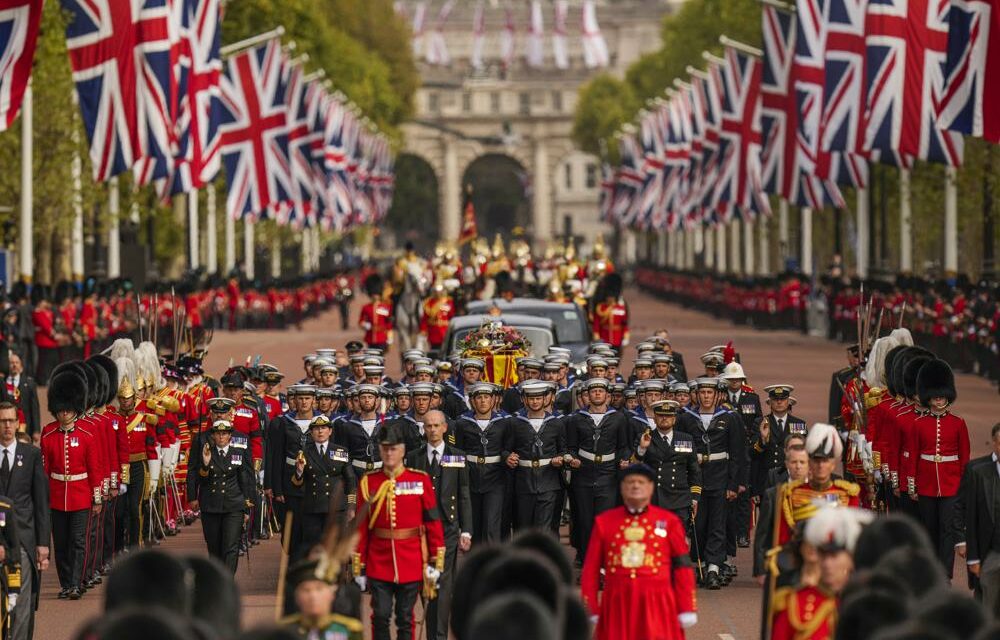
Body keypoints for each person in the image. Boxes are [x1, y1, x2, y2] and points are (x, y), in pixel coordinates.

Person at [580, 463, 697, 640]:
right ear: (621, 488)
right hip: (617, 604)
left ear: (651, 488)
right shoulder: (604, 522)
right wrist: (590, 606)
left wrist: (687, 606)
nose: (635, 486)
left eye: (641, 482)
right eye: (630, 482)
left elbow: (683, 567)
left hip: (657, 603)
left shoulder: (669, 521)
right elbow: (591, 569)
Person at [353, 422, 445, 640]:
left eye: (393, 448)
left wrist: (435, 562)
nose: (388, 453)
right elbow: (362, 527)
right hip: (378, 561)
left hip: (411, 560)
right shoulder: (369, 482)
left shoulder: (419, 480)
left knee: (406, 617)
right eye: (384, 448)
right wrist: (360, 566)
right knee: (381, 615)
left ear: (402, 450)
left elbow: (433, 523)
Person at [404, 410, 472, 640]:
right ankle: (433, 631)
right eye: (428, 426)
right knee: (427, 580)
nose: (432, 430)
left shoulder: (457, 456)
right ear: (424, 429)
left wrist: (467, 530)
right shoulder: (414, 457)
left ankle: (439, 636)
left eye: (436, 425)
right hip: (420, 529)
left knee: (442, 582)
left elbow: (464, 495)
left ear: (445, 428)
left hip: (448, 529)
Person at [675, 377, 747, 589]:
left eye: (710, 393)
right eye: (703, 393)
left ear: (717, 395)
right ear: (697, 395)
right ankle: (701, 565)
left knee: (718, 523)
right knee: (698, 523)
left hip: (720, 476)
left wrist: (734, 484)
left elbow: (737, 453)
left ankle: (714, 568)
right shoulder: (686, 417)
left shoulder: (730, 418)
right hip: (696, 477)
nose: (706, 397)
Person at [40, 368, 103, 600]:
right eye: (60, 408)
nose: (63, 413)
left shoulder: (87, 434)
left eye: (67, 408)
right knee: (62, 545)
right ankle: (66, 583)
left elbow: (94, 469)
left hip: (80, 495)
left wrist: (97, 497)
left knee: (78, 542)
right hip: (57, 496)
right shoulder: (47, 435)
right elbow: (44, 472)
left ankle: (76, 583)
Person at [904, 358, 969, 577]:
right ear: (928, 396)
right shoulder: (918, 423)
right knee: (930, 529)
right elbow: (912, 455)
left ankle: (945, 575)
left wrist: (964, 486)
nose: (939, 399)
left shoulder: (958, 423)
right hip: (926, 483)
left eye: (942, 395)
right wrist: (912, 485)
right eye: (935, 395)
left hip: (951, 485)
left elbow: (964, 457)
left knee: (948, 531)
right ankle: (931, 572)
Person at [770, 506, 872, 640]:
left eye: (834, 556)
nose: (827, 564)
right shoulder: (795, 604)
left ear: (851, 558)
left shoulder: (872, 603)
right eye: (822, 555)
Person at [564, 378, 631, 561]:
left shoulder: (618, 417)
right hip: (583, 475)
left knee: (605, 522)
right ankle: (588, 563)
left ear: (608, 396)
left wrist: (624, 460)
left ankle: (604, 565)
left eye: (601, 392)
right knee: (585, 522)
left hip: (608, 475)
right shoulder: (576, 419)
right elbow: (570, 447)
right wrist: (573, 459)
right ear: (587, 396)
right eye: (593, 392)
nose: (597, 394)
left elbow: (623, 446)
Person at [0, 401, 47, 640]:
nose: (7, 426)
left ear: (17, 424)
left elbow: (40, 503)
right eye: (2, 421)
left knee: (21, 603)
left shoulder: (31, 455)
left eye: (10, 421)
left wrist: (43, 545)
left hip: (23, 542)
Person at [186, 419, 255, 573]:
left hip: (234, 505)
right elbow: (201, 479)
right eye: (218, 434)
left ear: (230, 435)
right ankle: (217, 580)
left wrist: (247, 507)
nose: (221, 437)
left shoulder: (238, 453)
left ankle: (227, 582)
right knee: (214, 548)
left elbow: (245, 481)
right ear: (213, 436)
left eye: (224, 433)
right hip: (211, 506)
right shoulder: (207, 452)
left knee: (231, 547)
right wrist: (205, 464)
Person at [290, 415, 356, 559]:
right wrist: (299, 471)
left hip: (336, 508)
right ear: (311, 432)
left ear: (330, 431)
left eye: (323, 428)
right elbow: (296, 483)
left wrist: (351, 506)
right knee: (313, 549)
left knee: (336, 549)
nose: (320, 431)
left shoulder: (341, 451)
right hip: (313, 509)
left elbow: (350, 480)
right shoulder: (304, 453)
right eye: (316, 429)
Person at [504, 381, 566, 532]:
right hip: (523, 482)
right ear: (524, 399)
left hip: (548, 481)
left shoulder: (556, 423)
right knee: (523, 527)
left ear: (545, 399)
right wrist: (507, 457)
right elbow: (505, 449)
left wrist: (560, 459)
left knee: (543, 528)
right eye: (531, 398)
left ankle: (541, 555)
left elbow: (563, 450)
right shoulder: (514, 422)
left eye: (538, 398)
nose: (535, 401)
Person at [453, 382, 509, 544]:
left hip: (495, 479)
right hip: (470, 478)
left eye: (486, 397)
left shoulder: (504, 423)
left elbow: (508, 448)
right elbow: (458, 451)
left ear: (493, 400)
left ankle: (493, 565)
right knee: (473, 525)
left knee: (492, 524)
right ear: (472, 401)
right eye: (479, 397)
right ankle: (476, 563)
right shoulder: (462, 423)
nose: (483, 401)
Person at [635, 399, 701, 525]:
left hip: (680, 499)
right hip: (655, 499)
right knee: (658, 539)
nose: (664, 418)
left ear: (674, 419)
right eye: (660, 415)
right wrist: (642, 448)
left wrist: (694, 498)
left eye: (668, 416)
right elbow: (635, 467)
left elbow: (694, 470)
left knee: (678, 539)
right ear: (654, 419)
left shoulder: (686, 439)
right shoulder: (645, 438)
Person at [964, 423, 1000, 616]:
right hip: (991, 554)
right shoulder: (978, 473)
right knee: (987, 608)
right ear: (994, 444)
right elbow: (971, 518)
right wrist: (973, 558)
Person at [281, 558, 363, 640]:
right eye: (306, 590)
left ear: (332, 594)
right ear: (297, 596)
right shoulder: (283, 632)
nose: (313, 596)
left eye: (319, 589)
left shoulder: (348, 631)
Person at [5, 352, 39, 443]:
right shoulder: (2, 383)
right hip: (6, 425)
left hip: (26, 425)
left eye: (17, 363)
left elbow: (35, 408)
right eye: (12, 363)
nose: (14, 365)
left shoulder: (30, 383)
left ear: (21, 365)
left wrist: (36, 430)